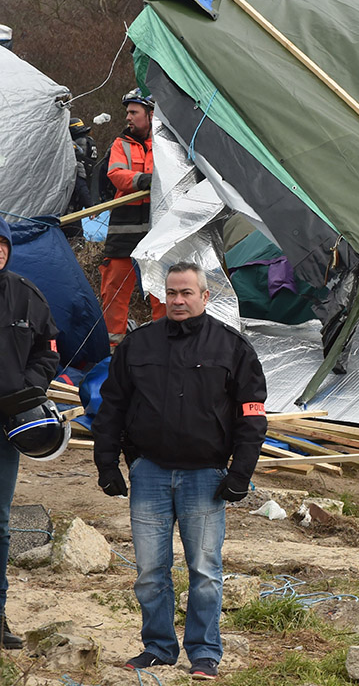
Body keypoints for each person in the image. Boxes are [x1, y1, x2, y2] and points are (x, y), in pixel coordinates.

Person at [92, 262, 267, 680]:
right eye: (171, 292)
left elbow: (252, 415)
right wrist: (106, 461)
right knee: (150, 572)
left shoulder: (232, 348)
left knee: (205, 571)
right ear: (163, 296)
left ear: (206, 297)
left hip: (205, 477)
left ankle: (204, 653)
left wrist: (241, 472)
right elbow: (112, 404)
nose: (178, 300)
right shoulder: (139, 345)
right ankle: (158, 648)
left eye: (187, 293)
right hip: (149, 472)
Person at [0, 218, 60, 650]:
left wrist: (31, 387)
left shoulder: (25, 295)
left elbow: (49, 349)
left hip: (7, 427)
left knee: (0, 524)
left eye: (2, 246)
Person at [101, 88, 165, 347]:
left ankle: (164, 343)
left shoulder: (165, 143)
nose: (128, 117)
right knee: (114, 288)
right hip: (124, 228)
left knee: (161, 288)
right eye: (127, 112)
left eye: (133, 112)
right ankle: (113, 347)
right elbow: (115, 174)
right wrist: (143, 180)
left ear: (151, 115)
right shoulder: (120, 144)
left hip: (156, 227)